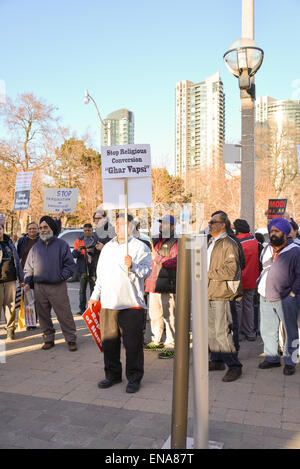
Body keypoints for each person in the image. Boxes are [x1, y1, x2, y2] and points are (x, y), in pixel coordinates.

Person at [88, 213, 151, 394]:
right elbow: (101, 275)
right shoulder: (108, 247)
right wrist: (94, 296)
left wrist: (133, 266)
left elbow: (146, 272)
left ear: (131, 227)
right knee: (109, 343)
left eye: (122, 224)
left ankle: (134, 377)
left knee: (132, 345)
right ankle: (113, 374)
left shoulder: (140, 247)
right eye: (116, 224)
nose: (118, 227)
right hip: (108, 303)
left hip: (131, 303)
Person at [24, 216, 77, 351]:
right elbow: (29, 267)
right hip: (39, 287)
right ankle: (48, 339)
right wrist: (27, 282)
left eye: (45, 227)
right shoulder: (35, 247)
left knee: (64, 314)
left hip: (57, 286)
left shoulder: (62, 245)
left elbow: (70, 266)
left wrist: (61, 276)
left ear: (52, 228)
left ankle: (71, 339)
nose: (42, 230)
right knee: (43, 316)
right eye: (41, 228)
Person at [257, 217, 300, 376]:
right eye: (271, 231)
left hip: (286, 298)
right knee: (267, 329)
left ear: (285, 233)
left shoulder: (295, 250)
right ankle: (272, 357)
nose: (272, 234)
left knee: (290, 331)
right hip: (265, 295)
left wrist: (292, 293)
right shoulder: (267, 248)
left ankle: (290, 361)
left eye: (276, 231)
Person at [207, 211, 243, 382]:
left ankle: (234, 366)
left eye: (213, 222)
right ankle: (217, 360)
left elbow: (231, 270)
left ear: (222, 225)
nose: (209, 224)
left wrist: (207, 273)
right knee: (212, 331)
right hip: (209, 291)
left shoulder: (229, 243)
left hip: (222, 292)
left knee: (223, 332)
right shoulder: (211, 242)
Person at [144, 215, 178, 359]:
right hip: (154, 284)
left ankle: (171, 344)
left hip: (167, 285)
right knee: (155, 314)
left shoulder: (176, 242)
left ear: (172, 227)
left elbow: (175, 261)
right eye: (160, 224)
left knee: (169, 316)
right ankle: (156, 339)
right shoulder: (157, 241)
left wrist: (157, 258)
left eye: (165, 224)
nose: (161, 226)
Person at [233, 219, 260, 341]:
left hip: (239, 279)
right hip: (252, 278)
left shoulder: (237, 242)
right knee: (248, 306)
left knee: (237, 306)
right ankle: (250, 332)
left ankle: (237, 334)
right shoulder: (254, 240)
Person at [0, 223, 24, 340]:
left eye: (0, 228)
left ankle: (10, 330)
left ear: (2, 229)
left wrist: (21, 278)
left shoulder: (9, 242)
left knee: (11, 306)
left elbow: (17, 261)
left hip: (10, 280)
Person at [17, 222, 40, 330]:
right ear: (27, 230)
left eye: (34, 228)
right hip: (26, 273)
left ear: (38, 230)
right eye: (30, 229)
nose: (32, 231)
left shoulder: (41, 240)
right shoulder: (22, 241)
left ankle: (37, 319)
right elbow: (18, 256)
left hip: (38, 272)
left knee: (38, 298)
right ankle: (30, 322)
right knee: (28, 298)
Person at [72, 223, 99, 315]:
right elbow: (74, 255)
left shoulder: (96, 240)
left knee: (93, 288)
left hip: (92, 268)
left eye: (89, 230)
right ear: (83, 231)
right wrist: (79, 250)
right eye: (85, 230)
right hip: (83, 268)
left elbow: (99, 252)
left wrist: (94, 250)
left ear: (92, 230)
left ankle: (92, 308)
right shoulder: (79, 240)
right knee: (82, 290)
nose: (87, 232)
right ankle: (82, 309)